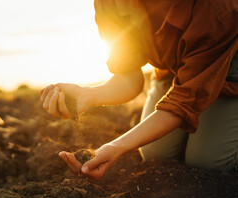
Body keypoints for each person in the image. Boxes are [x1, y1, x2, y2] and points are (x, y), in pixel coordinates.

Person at [40, 0, 238, 179]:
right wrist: (89, 94)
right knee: (156, 153)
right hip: (176, 69)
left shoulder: (217, 8)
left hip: (230, 69)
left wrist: (116, 146)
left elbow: (182, 102)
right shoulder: (109, 3)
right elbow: (129, 78)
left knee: (208, 161)